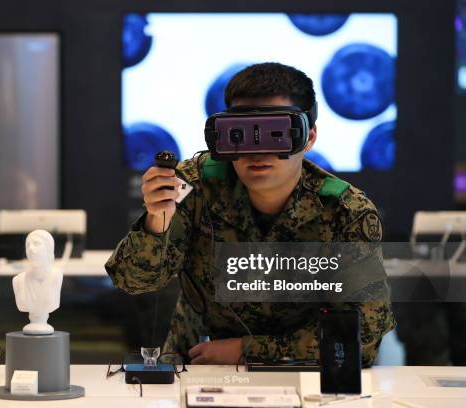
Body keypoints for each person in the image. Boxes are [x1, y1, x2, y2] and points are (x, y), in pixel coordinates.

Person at [106, 62, 395, 365]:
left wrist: (246, 350)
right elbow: (133, 281)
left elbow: (362, 335)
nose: (257, 151)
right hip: (198, 369)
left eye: (275, 133)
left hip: (307, 376)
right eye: (240, 134)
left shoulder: (344, 211)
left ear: (308, 138)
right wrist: (156, 221)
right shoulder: (194, 186)